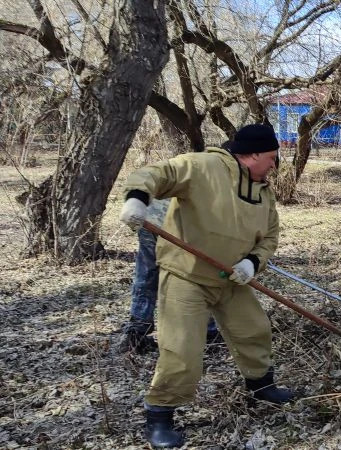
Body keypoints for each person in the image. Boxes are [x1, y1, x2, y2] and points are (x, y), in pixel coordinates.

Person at [118, 124, 293, 448]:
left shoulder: (263, 193)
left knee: (254, 330)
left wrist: (251, 263)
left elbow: (269, 238)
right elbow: (155, 174)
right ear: (252, 154)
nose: (274, 165)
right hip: (186, 275)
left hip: (230, 279)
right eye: (271, 157)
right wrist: (137, 199)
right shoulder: (203, 166)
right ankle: (160, 416)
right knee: (182, 349)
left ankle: (262, 387)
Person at [118, 197, 220, 354]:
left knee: (147, 274)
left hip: (152, 217)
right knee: (194, 274)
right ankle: (207, 331)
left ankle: (137, 329)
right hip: (175, 222)